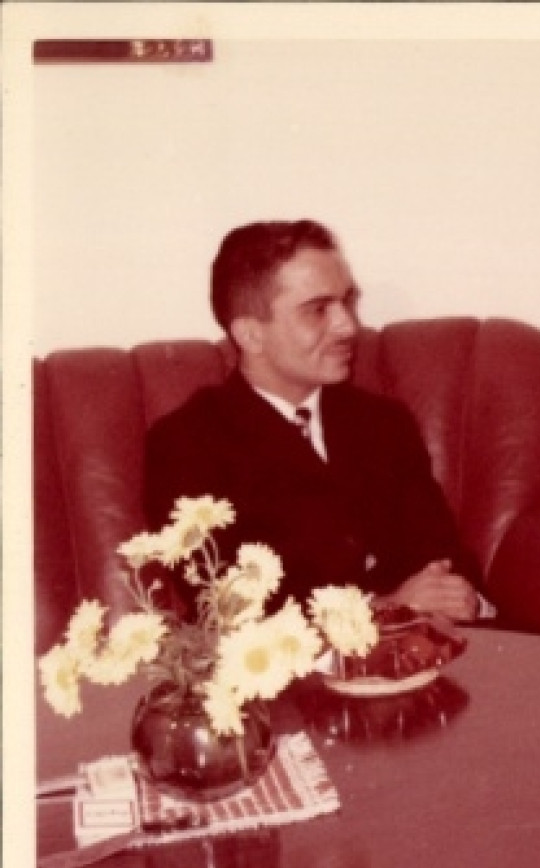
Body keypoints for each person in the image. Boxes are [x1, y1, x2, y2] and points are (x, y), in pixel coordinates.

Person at [145, 220, 489, 622]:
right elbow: (227, 607)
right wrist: (385, 607)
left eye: (346, 302)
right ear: (251, 335)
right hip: (286, 680)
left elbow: (441, 554)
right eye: (318, 311)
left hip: (420, 655)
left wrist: (461, 597)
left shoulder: (384, 423)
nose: (347, 325)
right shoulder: (186, 444)